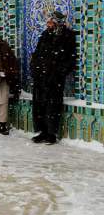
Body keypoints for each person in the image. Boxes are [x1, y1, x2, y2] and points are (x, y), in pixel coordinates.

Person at [30, 11, 77, 144]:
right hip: (40, 77)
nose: (48, 24)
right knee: (40, 105)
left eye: (51, 22)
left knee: (52, 106)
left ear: (57, 23)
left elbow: (70, 58)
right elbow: (37, 53)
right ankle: (43, 131)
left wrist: (58, 73)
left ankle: (51, 133)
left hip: (54, 79)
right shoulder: (45, 35)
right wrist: (34, 68)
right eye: (48, 22)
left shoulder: (66, 36)